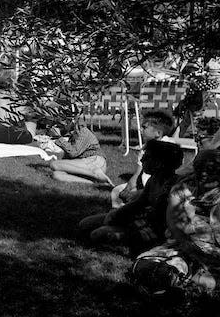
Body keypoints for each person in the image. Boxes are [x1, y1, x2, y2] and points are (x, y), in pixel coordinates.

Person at [131, 148, 220, 296]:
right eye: (199, 167)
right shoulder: (183, 187)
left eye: (210, 169)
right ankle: (182, 281)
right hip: (185, 245)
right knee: (145, 265)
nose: (203, 173)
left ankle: (185, 283)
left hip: (214, 251)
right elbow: (175, 225)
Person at [76, 140, 183, 252]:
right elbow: (139, 203)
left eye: (147, 157)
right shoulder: (154, 179)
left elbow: (160, 219)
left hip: (156, 230)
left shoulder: (172, 186)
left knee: (98, 234)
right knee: (85, 224)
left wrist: (123, 220)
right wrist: (116, 215)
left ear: (159, 163)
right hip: (142, 219)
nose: (142, 160)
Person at [109, 110, 175, 208]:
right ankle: (118, 211)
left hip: (159, 191)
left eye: (144, 127)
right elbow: (137, 173)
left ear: (158, 133)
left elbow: (163, 182)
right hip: (143, 186)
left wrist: (140, 193)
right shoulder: (146, 147)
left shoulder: (169, 148)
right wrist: (130, 185)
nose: (140, 130)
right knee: (116, 191)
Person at [47, 117, 112, 186]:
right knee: (56, 175)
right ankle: (94, 183)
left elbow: (73, 152)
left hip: (94, 161)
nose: (60, 127)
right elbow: (67, 159)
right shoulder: (72, 137)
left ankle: (95, 172)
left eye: (60, 125)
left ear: (71, 122)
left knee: (54, 164)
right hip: (83, 167)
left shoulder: (83, 131)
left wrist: (58, 138)